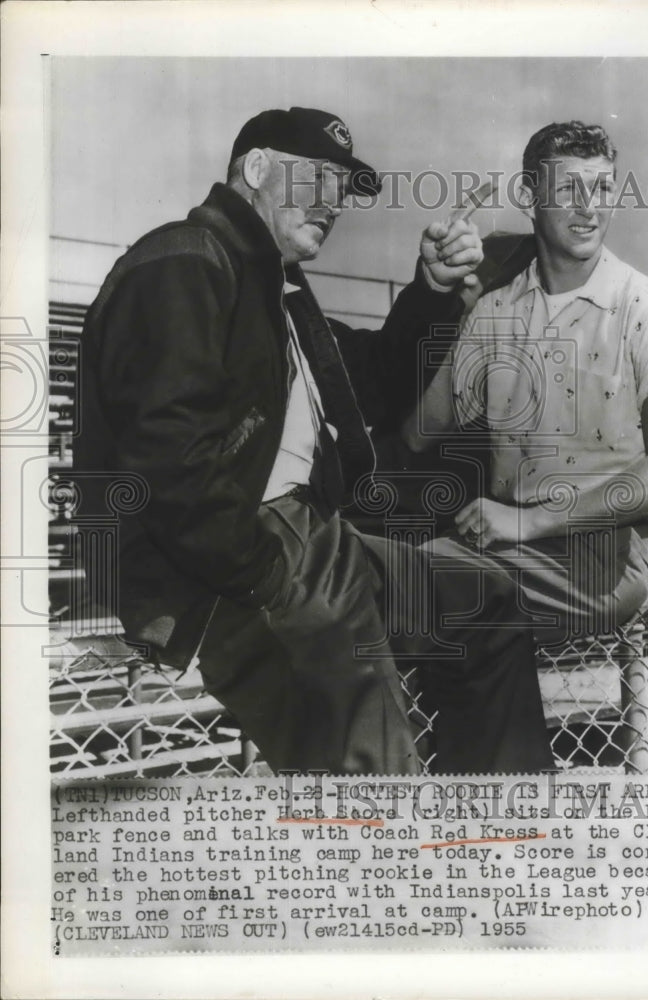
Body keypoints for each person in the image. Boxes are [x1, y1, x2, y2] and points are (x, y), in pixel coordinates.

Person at [75, 106, 554, 776]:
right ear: (256, 170)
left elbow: (374, 390)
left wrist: (431, 290)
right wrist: (260, 574)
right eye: (319, 180)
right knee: (378, 785)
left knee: (488, 605)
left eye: (343, 188)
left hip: (318, 541)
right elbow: (165, 456)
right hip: (251, 561)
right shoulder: (184, 262)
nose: (334, 203)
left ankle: (504, 831)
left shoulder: (278, 291)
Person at [404, 120, 648, 649]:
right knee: (415, 595)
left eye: (604, 188)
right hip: (501, 542)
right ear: (529, 195)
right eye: (570, 188)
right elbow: (416, 433)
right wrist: (438, 291)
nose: (590, 207)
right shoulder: (494, 311)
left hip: (602, 560)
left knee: (401, 582)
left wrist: (531, 524)